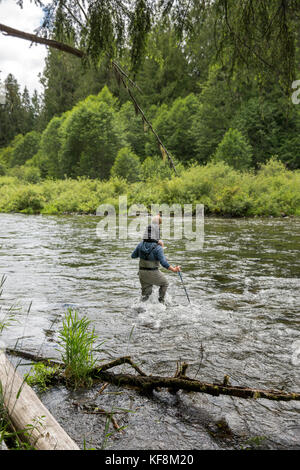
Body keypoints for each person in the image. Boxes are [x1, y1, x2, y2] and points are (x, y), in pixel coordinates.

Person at [131, 215, 181, 303]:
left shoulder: (140, 244)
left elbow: (133, 256)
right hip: (153, 272)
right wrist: (174, 269)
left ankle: (139, 309)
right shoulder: (158, 247)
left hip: (142, 273)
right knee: (165, 283)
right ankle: (161, 302)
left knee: (146, 297)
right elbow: (164, 263)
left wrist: (143, 252)